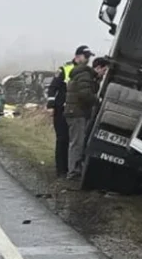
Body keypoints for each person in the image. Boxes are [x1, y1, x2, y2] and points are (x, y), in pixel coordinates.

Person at [47, 45, 92, 176]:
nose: (88, 59)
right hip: (61, 109)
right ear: (77, 56)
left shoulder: (86, 72)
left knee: (74, 140)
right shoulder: (65, 69)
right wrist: (51, 102)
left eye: (89, 57)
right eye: (86, 56)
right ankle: (61, 169)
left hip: (75, 111)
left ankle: (70, 167)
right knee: (62, 139)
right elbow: (53, 87)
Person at [65, 55, 109, 180]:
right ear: (98, 68)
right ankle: (73, 172)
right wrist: (98, 100)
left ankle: (74, 170)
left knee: (77, 142)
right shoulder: (86, 76)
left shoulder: (87, 76)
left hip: (75, 111)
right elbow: (84, 94)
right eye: (104, 70)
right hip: (77, 113)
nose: (104, 74)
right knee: (76, 143)